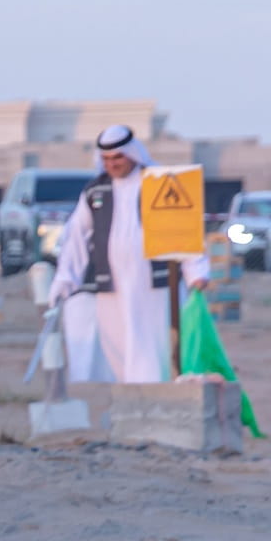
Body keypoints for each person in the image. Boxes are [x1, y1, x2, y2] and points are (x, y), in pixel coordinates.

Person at [49, 125, 210, 383]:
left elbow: (185, 228)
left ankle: (156, 394)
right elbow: (75, 238)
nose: (112, 164)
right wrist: (65, 279)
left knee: (154, 344)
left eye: (118, 157)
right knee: (117, 345)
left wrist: (196, 271)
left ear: (132, 154)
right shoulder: (95, 191)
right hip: (112, 285)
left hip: (154, 284)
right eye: (106, 159)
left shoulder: (159, 182)